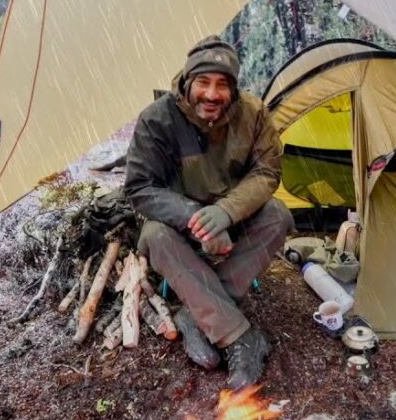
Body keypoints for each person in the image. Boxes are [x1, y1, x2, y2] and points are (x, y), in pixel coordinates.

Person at [124, 35, 293, 389]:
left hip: (234, 220)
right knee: (154, 236)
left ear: (233, 89)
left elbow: (267, 172)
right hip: (179, 224)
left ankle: (196, 315)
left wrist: (226, 213)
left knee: (278, 216)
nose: (212, 95)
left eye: (222, 85)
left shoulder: (253, 114)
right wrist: (195, 217)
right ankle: (242, 337)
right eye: (203, 82)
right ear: (187, 83)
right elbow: (140, 187)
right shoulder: (158, 120)